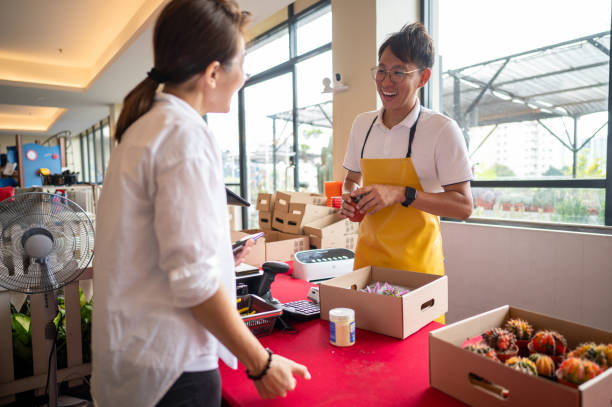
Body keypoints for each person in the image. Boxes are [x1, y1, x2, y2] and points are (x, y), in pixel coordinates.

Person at [91, 1, 310, 406]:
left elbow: (160, 250)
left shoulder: (146, 127)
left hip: (137, 359)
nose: (244, 76)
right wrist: (261, 362)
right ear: (213, 73)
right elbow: (194, 283)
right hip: (172, 369)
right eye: (242, 63)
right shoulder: (184, 135)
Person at [340, 22, 473, 322]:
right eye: (381, 70)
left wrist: (402, 193)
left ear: (424, 77)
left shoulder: (441, 130)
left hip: (418, 270)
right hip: (367, 263)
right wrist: (350, 200)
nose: (387, 81)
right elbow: (351, 179)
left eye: (399, 72)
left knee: (413, 360)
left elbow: (464, 206)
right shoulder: (362, 125)